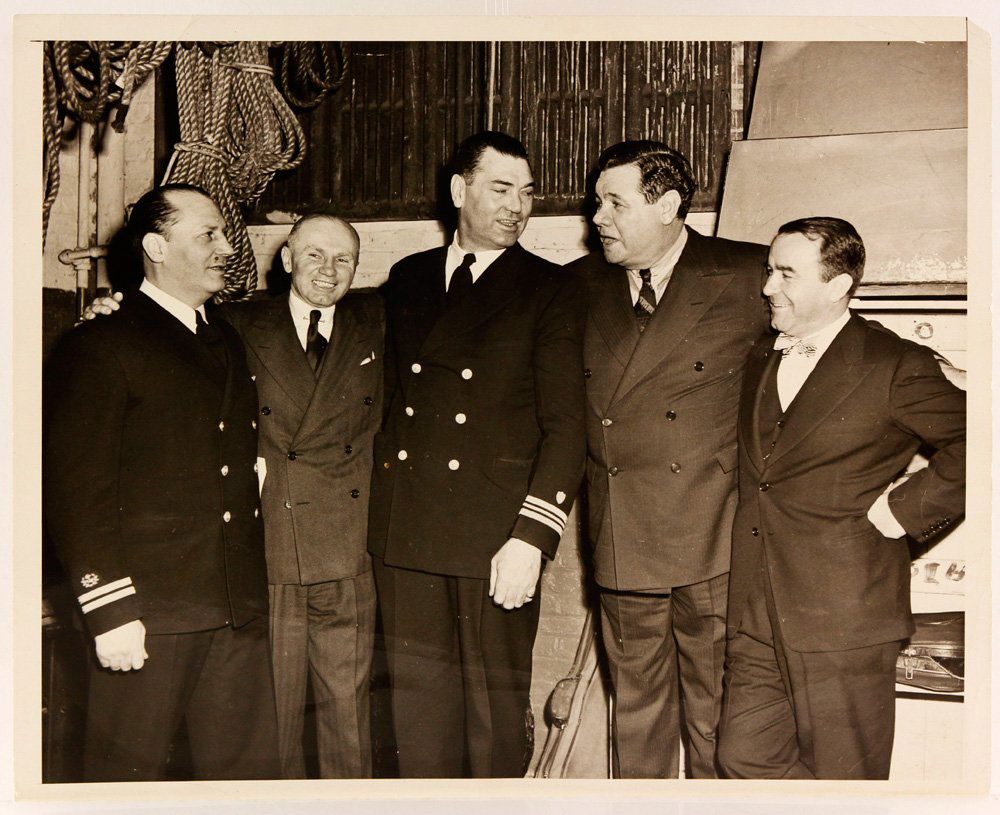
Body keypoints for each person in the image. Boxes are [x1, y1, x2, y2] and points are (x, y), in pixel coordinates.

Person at [83, 214, 382, 779]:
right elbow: (162, 328)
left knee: (349, 720)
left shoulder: (376, 321)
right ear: (286, 259)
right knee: (270, 725)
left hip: (345, 552)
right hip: (268, 550)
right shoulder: (234, 324)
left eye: (344, 259)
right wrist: (110, 310)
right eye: (314, 255)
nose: (329, 270)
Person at [368, 131, 587, 777]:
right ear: (459, 191)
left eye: (526, 192)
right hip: (404, 534)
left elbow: (567, 425)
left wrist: (531, 537)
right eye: (500, 189)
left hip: (493, 540)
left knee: (491, 722)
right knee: (414, 718)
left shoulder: (549, 288)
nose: (518, 206)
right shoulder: (406, 278)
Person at [44, 183, 280, 781]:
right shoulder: (101, 344)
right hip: (146, 614)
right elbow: (77, 489)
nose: (227, 247)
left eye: (224, 233)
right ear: (156, 245)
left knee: (243, 780)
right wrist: (108, 610)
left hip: (232, 603)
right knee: (125, 778)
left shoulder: (222, 335)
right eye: (208, 235)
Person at [716, 217, 965, 779]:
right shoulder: (763, 354)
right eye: (768, 270)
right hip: (755, 606)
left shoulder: (895, 364)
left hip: (843, 615)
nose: (766, 287)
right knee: (741, 755)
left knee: (844, 774)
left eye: (786, 273)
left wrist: (903, 510)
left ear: (837, 286)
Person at [565, 140, 769, 778]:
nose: (598, 217)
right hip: (622, 536)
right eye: (598, 201)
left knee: (715, 716)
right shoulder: (577, 286)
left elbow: (835, 337)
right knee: (637, 714)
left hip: (714, 536)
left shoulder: (746, 273)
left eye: (615, 203)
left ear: (669, 206)